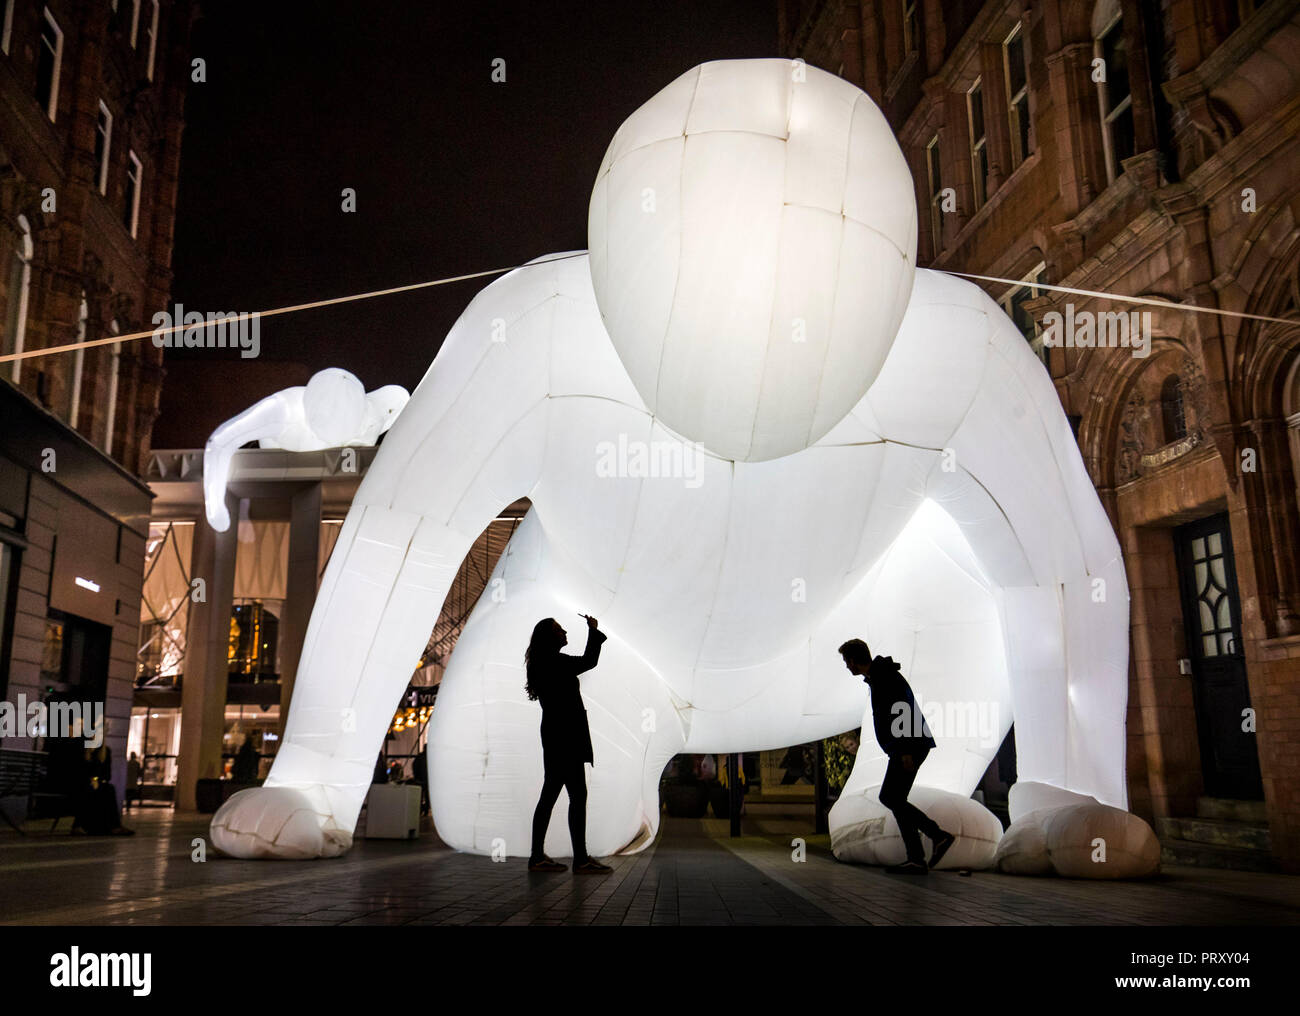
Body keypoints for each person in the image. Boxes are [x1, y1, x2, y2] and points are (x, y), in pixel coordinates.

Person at [839, 638, 954, 874]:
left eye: (846, 662)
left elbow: (902, 711)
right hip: (906, 746)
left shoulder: (884, 677)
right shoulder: (879, 676)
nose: (846, 667)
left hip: (908, 747)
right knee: (895, 798)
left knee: (891, 797)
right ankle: (917, 857)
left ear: (853, 660)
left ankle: (936, 836)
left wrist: (905, 751)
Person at [525, 613, 613, 874]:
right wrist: (593, 630)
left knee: (553, 794)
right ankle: (579, 859)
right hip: (565, 736)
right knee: (574, 795)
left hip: (557, 735)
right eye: (559, 630)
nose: (564, 632)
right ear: (549, 637)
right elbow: (589, 661)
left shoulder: (543, 662)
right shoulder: (553, 662)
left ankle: (540, 856)